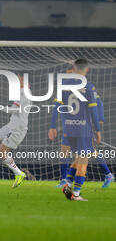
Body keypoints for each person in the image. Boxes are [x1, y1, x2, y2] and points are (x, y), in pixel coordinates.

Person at [49, 59, 101, 201]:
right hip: (83, 130)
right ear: (87, 70)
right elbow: (93, 111)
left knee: (75, 158)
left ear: (73, 69)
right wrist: (98, 130)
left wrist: (52, 126)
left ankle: (66, 182)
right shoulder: (89, 87)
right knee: (83, 161)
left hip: (69, 129)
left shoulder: (63, 85)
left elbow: (56, 107)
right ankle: (76, 194)